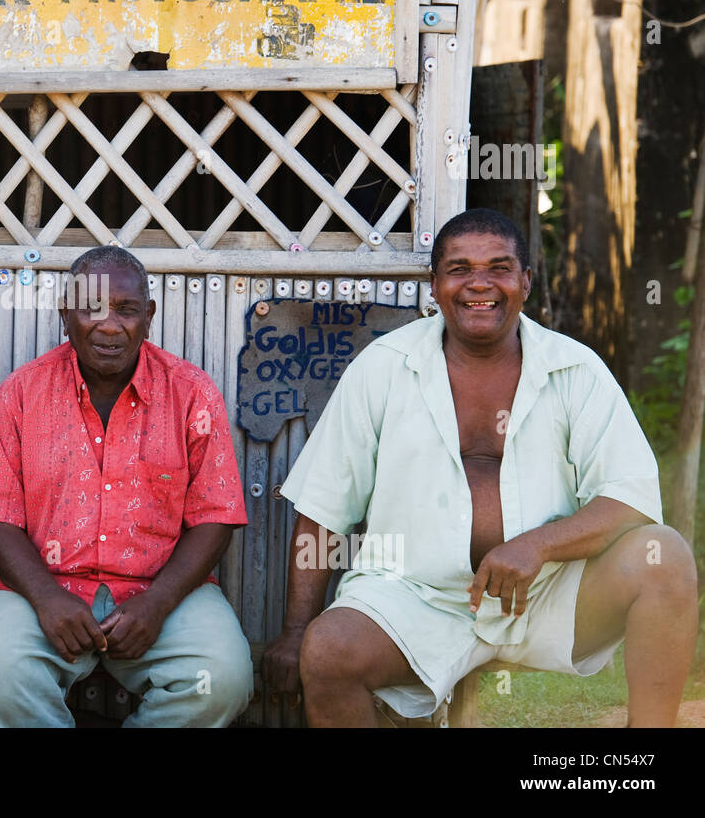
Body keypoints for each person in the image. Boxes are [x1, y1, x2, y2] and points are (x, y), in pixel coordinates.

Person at [262, 208, 699, 727]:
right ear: (435, 285)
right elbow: (324, 507)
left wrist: (537, 545)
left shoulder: (575, 369)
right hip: (414, 597)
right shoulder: (382, 367)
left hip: (547, 593)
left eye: (499, 267)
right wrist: (295, 629)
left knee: (664, 556)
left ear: (525, 282)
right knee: (328, 651)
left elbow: (630, 500)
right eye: (459, 269)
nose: (480, 284)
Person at [0, 246, 253, 727]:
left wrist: (158, 603)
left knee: (222, 679)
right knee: (0, 675)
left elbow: (215, 518)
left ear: (149, 316)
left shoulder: (191, 391)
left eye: (126, 310)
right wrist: (46, 598)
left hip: (162, 588)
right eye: (91, 309)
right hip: (44, 585)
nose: (108, 325)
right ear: (65, 316)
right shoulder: (21, 392)